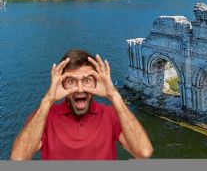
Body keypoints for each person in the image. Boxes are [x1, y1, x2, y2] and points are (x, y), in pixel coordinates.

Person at [10, 49, 153, 160]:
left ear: (97, 82)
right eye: (71, 81)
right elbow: (19, 158)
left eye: (87, 80)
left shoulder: (111, 115)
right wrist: (48, 99)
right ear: (61, 84)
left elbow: (143, 152)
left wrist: (114, 95)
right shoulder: (44, 117)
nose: (80, 89)